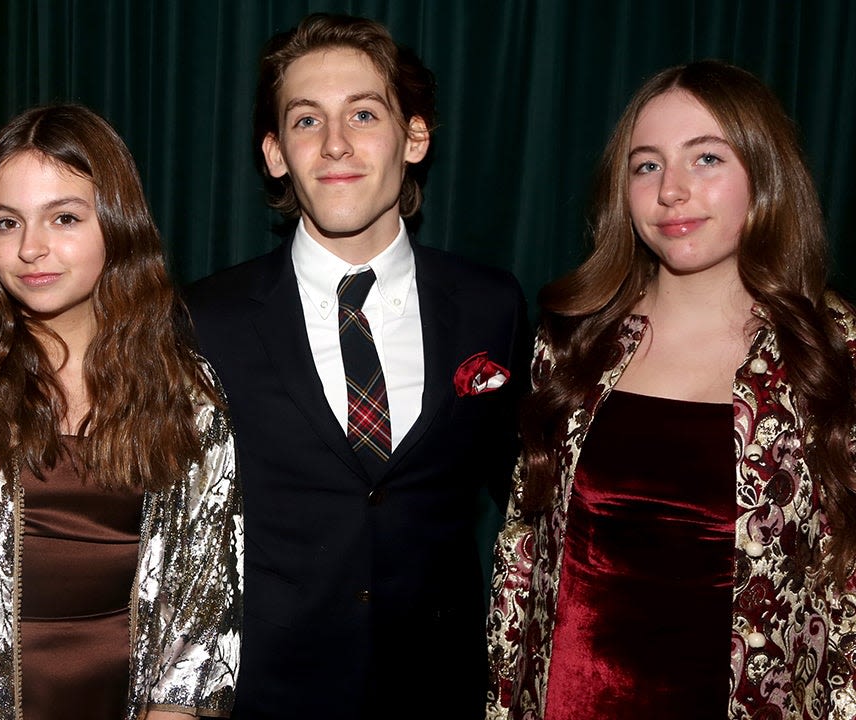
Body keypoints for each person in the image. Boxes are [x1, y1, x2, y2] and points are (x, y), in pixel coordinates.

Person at [487, 60, 856, 718]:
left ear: (765, 175)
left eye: (707, 158)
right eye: (647, 165)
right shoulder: (573, 345)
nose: (672, 192)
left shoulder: (833, 356)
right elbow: (520, 568)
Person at [185, 12, 529, 719]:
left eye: (364, 114)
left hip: (439, 694)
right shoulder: (204, 319)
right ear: (276, 152)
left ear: (415, 137)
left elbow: (525, 501)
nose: (336, 144)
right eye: (307, 121)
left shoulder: (490, 308)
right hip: (264, 697)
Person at [0, 104, 242, 720]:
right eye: (7, 223)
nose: (32, 248)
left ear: (117, 224)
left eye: (64, 217)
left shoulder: (185, 392)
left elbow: (201, 629)